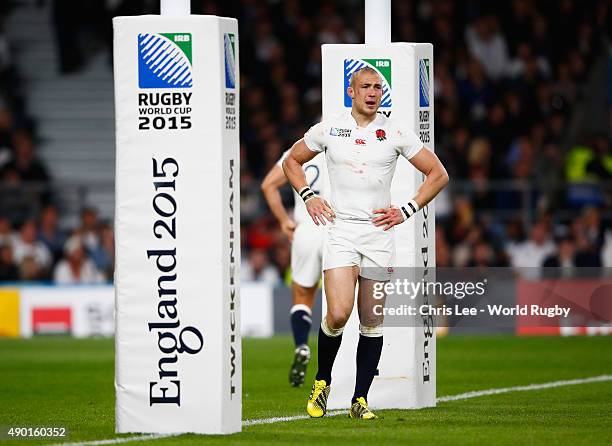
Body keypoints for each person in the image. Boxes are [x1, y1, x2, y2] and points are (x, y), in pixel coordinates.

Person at [283, 66, 449, 419]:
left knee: (372, 319)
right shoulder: (329, 129)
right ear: (351, 91)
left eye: (378, 87)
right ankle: (322, 382)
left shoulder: (394, 132)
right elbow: (291, 161)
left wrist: (407, 209)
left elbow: (438, 174)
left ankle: (360, 400)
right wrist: (309, 194)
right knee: (339, 313)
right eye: (366, 87)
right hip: (341, 231)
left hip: (378, 236)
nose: (373, 93)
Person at [261, 147, 325, 387]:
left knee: (302, 297)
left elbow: (268, 185)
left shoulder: (299, 149)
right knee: (343, 298)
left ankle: (301, 345)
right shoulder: (350, 141)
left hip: (306, 228)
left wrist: (284, 221)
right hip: (337, 228)